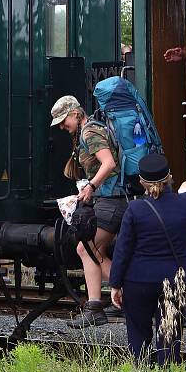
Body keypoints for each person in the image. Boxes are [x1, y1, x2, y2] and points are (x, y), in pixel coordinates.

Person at [110, 154, 186, 365]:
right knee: (169, 338)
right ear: (170, 177)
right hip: (173, 281)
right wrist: (185, 192)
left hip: (138, 281)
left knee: (138, 335)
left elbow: (122, 250)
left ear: (142, 182)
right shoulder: (185, 204)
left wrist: (115, 284)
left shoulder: (134, 209)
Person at [50, 95, 128, 328]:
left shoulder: (89, 131)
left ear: (75, 113)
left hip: (112, 200)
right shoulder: (90, 129)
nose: (63, 127)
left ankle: (100, 306)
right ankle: (122, 299)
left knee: (86, 248)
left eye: (64, 121)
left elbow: (108, 164)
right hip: (112, 199)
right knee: (96, 250)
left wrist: (91, 186)